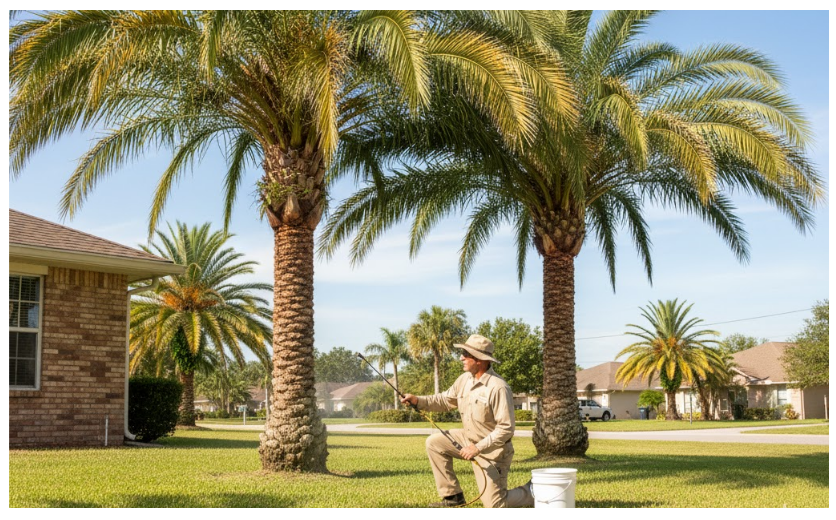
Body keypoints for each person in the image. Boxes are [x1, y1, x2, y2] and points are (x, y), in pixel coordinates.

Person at [400, 334, 534, 508]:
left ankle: (533, 491)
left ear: (479, 359)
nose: (461, 357)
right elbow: (444, 400)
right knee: (435, 443)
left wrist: (477, 448)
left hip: (492, 452)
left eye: (465, 353)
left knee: (495, 505)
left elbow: (506, 428)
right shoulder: (464, 380)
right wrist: (418, 400)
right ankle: (453, 497)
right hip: (468, 439)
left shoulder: (498, 387)